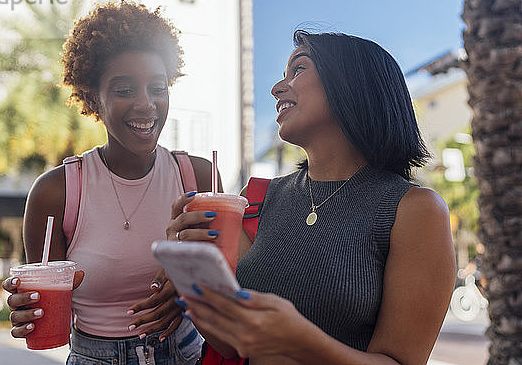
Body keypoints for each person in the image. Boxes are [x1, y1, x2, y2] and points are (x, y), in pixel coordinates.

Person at [168, 32, 456, 364]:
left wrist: (301, 340)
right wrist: (188, 272)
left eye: (299, 69)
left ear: (351, 85)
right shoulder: (257, 198)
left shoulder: (414, 210)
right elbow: (234, 346)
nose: (277, 88)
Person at [2, 0, 221, 365]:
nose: (146, 104)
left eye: (157, 87)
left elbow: (227, 280)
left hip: (186, 353)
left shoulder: (197, 178)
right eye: (123, 90)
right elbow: (43, 301)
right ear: (93, 97)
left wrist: (188, 291)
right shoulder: (56, 192)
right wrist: (28, 308)